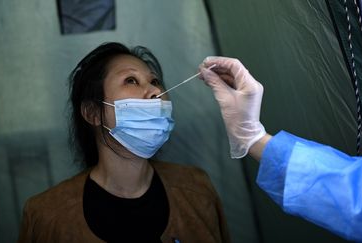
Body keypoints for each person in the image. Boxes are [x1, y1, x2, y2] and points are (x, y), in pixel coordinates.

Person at [17, 43, 230, 243]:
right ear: (93, 113)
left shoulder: (196, 188)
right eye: (131, 80)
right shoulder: (46, 216)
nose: (156, 92)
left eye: (154, 81)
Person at [199, 56, 362, 242]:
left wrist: (252, 137)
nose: (160, 93)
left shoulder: (193, 187)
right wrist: (253, 138)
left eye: (160, 83)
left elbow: (359, 200)